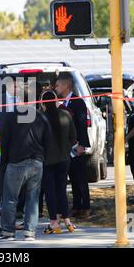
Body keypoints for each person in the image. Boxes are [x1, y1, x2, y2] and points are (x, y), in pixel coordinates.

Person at [0, 86, 50, 242]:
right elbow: (48, 140)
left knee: (10, 198)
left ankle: (8, 231)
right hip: (37, 161)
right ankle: (30, 232)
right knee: (33, 197)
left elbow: (4, 140)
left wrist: (4, 160)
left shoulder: (11, 117)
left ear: (19, 99)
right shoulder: (41, 117)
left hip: (16, 162)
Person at [55, 74, 91, 219]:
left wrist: (82, 144)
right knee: (73, 177)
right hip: (67, 147)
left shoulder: (77, 102)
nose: (56, 88)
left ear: (66, 86)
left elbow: (82, 125)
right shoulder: (65, 102)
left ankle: (85, 206)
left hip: (77, 146)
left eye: (58, 85)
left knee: (80, 177)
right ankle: (77, 206)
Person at [41, 91, 77, 234]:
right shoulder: (66, 115)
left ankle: (54, 223)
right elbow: (73, 138)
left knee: (50, 191)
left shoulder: (41, 118)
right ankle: (67, 220)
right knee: (61, 189)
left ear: (43, 103)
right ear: (56, 101)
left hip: (47, 160)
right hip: (64, 158)